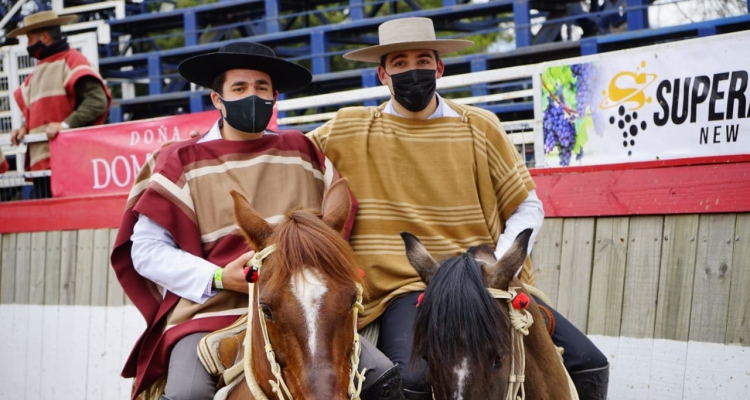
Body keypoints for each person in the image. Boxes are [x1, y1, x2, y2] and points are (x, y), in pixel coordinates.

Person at [307, 17, 609, 400]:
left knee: (590, 360)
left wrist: (498, 266)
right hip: (406, 284)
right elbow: (291, 156)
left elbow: (527, 205)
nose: (412, 70)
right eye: (399, 63)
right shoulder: (346, 129)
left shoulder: (481, 126)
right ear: (382, 75)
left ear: (439, 66)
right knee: (413, 380)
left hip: (487, 279)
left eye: (422, 60)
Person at [110, 42, 400, 400]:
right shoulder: (180, 160)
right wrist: (217, 277)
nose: (252, 95)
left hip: (301, 311)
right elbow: (147, 251)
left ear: (275, 96)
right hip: (211, 310)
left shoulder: (302, 150)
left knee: (384, 378)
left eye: (262, 88)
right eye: (239, 88)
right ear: (217, 99)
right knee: (186, 394)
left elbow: (333, 233)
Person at [7, 10, 111, 199]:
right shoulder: (40, 69)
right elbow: (39, 111)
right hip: (46, 164)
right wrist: (24, 128)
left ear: (44, 37)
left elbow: (97, 102)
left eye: (30, 40)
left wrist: (64, 126)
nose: (28, 46)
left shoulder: (72, 61)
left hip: (68, 163)